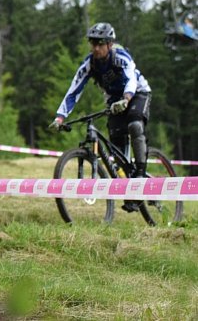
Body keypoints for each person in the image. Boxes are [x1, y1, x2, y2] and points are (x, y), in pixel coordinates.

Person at [48, 22, 152, 213]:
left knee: (135, 125)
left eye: (100, 44)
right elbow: (74, 91)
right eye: (93, 43)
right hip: (114, 101)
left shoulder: (121, 56)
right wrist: (60, 117)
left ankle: (140, 172)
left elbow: (131, 77)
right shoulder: (89, 64)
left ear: (109, 44)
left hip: (137, 93)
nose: (96, 48)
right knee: (116, 148)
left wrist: (127, 98)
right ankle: (130, 191)